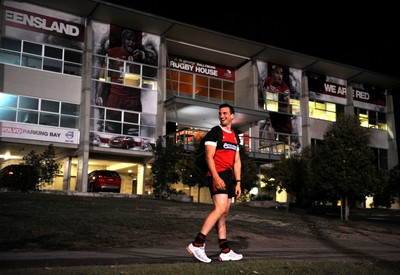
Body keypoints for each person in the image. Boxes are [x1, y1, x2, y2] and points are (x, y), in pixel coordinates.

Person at [186, 103, 243, 263]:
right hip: (217, 173)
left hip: (229, 176)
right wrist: (216, 177)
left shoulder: (234, 136)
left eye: (225, 113)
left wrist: (238, 182)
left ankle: (225, 250)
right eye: (220, 113)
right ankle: (197, 243)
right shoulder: (214, 133)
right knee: (219, 209)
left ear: (232, 116)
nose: (222, 116)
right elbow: (208, 157)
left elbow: (237, 161)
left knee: (224, 213)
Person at [95, 29, 157, 132]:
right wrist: (98, 95)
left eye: (133, 40)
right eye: (129, 39)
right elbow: (103, 75)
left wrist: (144, 56)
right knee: (109, 129)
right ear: (123, 40)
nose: (131, 42)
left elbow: (153, 62)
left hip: (133, 99)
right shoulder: (112, 53)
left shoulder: (139, 55)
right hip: (116, 96)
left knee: (132, 132)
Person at [262, 64, 293, 144]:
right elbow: (261, 92)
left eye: (281, 74)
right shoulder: (267, 81)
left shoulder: (285, 89)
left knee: (284, 148)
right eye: (277, 73)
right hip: (272, 121)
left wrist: (274, 107)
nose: (280, 76)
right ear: (272, 74)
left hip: (283, 127)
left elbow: (289, 110)